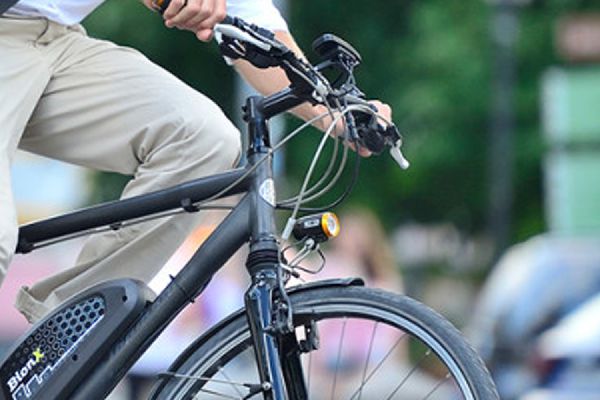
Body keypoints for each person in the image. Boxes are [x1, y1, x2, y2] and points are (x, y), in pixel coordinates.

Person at [0, 0, 392, 324]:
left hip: (56, 40)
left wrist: (335, 112)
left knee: (204, 141)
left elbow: (252, 19)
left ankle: (64, 332)